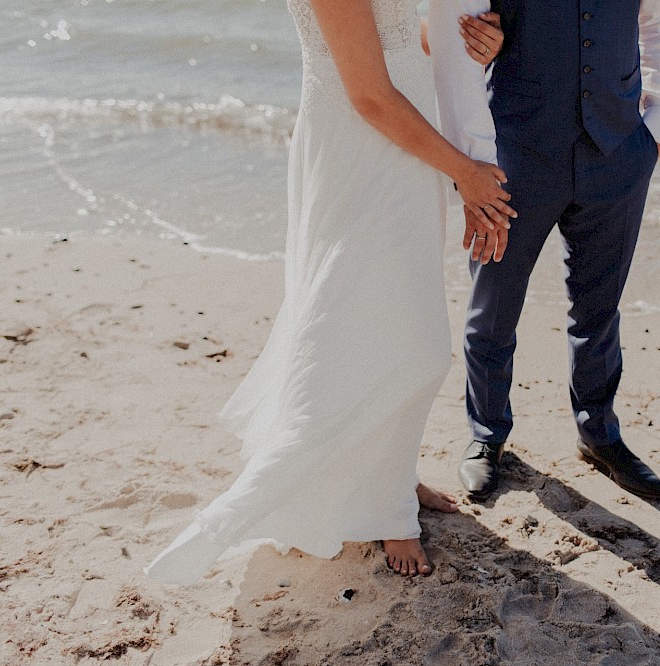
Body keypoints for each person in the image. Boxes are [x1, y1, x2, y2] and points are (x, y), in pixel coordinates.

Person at [145, 0, 511, 584]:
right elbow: (368, 94)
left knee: (390, 319)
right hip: (363, 146)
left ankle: (392, 476)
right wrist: (465, 171)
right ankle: (385, 508)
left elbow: (391, 33)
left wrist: (462, 40)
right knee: (393, 336)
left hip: (406, 142)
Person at [453, 0, 660, 500]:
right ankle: (486, 435)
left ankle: (599, 434)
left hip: (618, 151)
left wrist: (656, 130)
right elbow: (458, 40)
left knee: (599, 310)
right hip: (516, 152)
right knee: (493, 306)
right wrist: (472, 161)